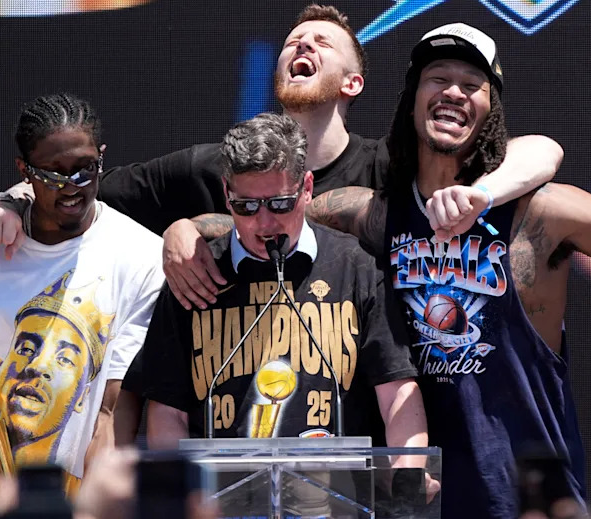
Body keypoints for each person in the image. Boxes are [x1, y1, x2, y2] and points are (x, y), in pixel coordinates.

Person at [303, 23, 591, 517]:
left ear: (490, 112)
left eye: (472, 84)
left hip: (525, 499)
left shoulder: (542, 212)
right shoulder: (377, 214)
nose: (454, 92)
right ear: (412, 99)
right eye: (438, 78)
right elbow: (270, 216)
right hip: (419, 501)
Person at [0, 4, 564, 310]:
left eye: (322, 43)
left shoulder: (391, 168)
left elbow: (542, 150)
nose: (303, 45)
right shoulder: (210, 165)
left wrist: (482, 193)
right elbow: (82, 186)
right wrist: (10, 201)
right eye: (293, 42)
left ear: (352, 83)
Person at [114, 113, 430, 457]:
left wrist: (408, 471)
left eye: (280, 204)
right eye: (246, 206)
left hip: (333, 486)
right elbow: (167, 410)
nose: (264, 223)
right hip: (220, 489)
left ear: (306, 188)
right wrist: (181, 483)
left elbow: (397, 392)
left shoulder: (357, 267)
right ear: (226, 194)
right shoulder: (194, 274)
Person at [0, 94, 165, 490]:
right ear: (24, 170)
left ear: (101, 158)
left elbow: (111, 413)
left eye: (84, 169)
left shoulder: (142, 257)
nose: (71, 186)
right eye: (53, 174)